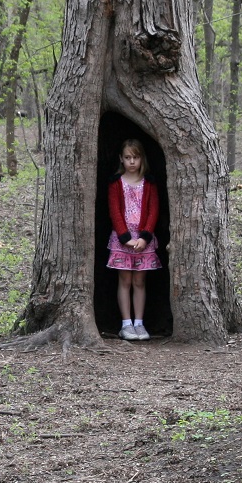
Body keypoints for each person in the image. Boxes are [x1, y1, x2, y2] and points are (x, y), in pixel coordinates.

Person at [106, 138, 162, 341]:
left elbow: (153, 210)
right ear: (121, 159)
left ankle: (139, 323)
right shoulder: (115, 183)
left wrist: (145, 237)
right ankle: (126, 324)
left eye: (135, 157)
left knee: (139, 281)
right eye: (128, 157)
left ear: (141, 159)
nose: (131, 162)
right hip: (123, 241)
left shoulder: (149, 183)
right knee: (125, 280)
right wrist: (125, 238)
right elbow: (114, 211)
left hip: (143, 241)